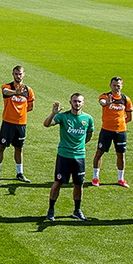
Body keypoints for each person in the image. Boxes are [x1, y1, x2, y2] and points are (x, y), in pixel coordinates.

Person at [43, 93, 96, 221]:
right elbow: (46, 124)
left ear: (83, 103)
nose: (77, 104)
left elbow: (89, 135)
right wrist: (53, 113)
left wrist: (80, 146)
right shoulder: (63, 116)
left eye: (79, 101)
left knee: (79, 184)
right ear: (70, 102)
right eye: (74, 101)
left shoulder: (88, 119)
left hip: (80, 157)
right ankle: (51, 210)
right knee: (58, 182)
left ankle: (77, 211)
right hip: (64, 156)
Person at [0, 65, 35, 183]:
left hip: (21, 124)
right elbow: (5, 92)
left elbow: (30, 106)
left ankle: (20, 173)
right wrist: (15, 92)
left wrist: (20, 113)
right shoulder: (7, 87)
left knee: (19, 148)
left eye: (20, 74)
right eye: (16, 74)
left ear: (24, 74)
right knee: (1, 147)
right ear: (13, 74)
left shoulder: (28, 90)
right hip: (8, 123)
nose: (18, 76)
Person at [93, 76, 133, 188]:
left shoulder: (126, 99)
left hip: (121, 132)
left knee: (121, 154)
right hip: (106, 130)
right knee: (100, 152)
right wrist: (106, 103)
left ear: (122, 86)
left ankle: (121, 179)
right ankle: (95, 177)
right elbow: (101, 102)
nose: (116, 87)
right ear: (110, 85)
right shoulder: (105, 96)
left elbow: (129, 117)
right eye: (114, 85)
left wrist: (120, 123)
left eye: (118, 85)